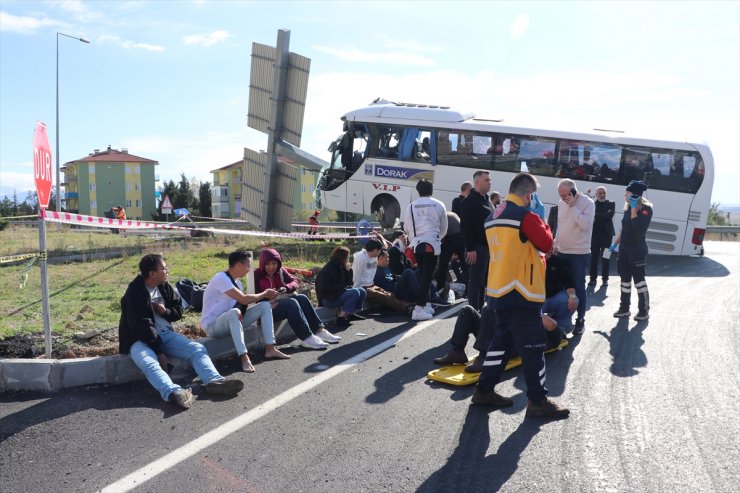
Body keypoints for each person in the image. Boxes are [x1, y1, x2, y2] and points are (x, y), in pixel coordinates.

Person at [471, 173, 569, 419]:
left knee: (501, 343)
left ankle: (484, 390)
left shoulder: (492, 215)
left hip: (498, 289)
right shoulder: (526, 216)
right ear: (529, 195)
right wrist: (541, 219)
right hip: (522, 290)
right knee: (535, 346)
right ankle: (538, 401)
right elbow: (547, 245)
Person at [119, 254, 244, 409]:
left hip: (163, 334)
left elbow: (178, 311)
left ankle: (214, 382)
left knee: (197, 349)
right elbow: (142, 326)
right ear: (152, 274)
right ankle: (174, 393)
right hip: (138, 338)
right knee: (149, 362)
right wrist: (159, 352)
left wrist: (165, 312)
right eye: (164, 268)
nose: (167, 270)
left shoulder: (163, 286)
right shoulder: (134, 292)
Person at [200, 250, 290, 374]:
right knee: (234, 312)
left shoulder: (238, 284)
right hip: (213, 326)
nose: (249, 270)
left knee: (264, 305)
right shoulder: (220, 278)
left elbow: (243, 305)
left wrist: (268, 299)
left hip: (230, 321)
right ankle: (244, 357)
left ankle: (270, 348)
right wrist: (265, 293)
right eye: (248, 266)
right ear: (239, 265)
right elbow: (243, 299)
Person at [254, 248, 340, 349]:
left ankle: (319, 331)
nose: (271, 267)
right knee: (291, 303)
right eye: (267, 264)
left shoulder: (280, 271)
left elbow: (294, 281)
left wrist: (286, 288)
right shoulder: (256, 275)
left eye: (274, 263)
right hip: (265, 310)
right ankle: (307, 337)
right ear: (262, 264)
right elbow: (253, 297)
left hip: (279, 303)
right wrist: (266, 303)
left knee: (302, 298)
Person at [553, 179, 595, 334]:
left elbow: (585, 224)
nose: (563, 197)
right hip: (562, 251)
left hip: (579, 253)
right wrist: (556, 244)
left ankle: (580, 319)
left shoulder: (588, 203)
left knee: (578, 287)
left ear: (573, 191)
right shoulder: (561, 203)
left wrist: (573, 207)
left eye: (565, 194)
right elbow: (560, 225)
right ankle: (564, 320)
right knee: (563, 287)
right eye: (560, 194)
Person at [403, 179, 448, 321]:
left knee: (423, 275)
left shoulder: (411, 206)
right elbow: (444, 228)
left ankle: (426, 304)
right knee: (428, 277)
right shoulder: (439, 204)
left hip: (417, 244)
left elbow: (407, 227)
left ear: (418, 191)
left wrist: (414, 238)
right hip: (432, 244)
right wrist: (436, 238)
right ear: (431, 189)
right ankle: (418, 308)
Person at [612, 180, 653, 321]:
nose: (625, 194)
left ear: (635, 195)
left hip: (637, 249)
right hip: (624, 248)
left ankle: (644, 310)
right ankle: (624, 308)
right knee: (624, 280)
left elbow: (637, 227)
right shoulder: (628, 208)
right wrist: (615, 244)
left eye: (627, 192)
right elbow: (624, 229)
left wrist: (635, 209)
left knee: (639, 281)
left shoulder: (646, 209)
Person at [353, 237, 412, 315]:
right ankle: (404, 308)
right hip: (362, 287)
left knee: (390, 294)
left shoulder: (373, 258)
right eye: (379, 250)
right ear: (375, 250)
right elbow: (357, 276)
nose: (380, 252)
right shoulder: (361, 257)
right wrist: (358, 293)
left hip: (371, 285)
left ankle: (406, 304)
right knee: (385, 296)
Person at [460, 170, 493, 310]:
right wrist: (471, 249)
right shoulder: (470, 201)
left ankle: (479, 311)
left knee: (482, 282)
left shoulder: (487, 199)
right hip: (477, 248)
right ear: (477, 183)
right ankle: (473, 313)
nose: (490, 182)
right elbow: (466, 226)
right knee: (475, 282)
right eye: (486, 180)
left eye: (489, 180)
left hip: (487, 247)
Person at [315, 246, 367, 326]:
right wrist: (342, 288)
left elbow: (349, 283)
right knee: (355, 292)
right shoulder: (329, 268)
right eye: (347, 257)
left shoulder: (341, 266)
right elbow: (324, 287)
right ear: (342, 257)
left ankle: (349, 314)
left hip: (337, 295)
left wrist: (348, 271)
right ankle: (341, 317)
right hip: (328, 299)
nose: (348, 259)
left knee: (362, 291)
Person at [434, 210, 467, 300]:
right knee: (464, 265)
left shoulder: (441, 216)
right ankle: (468, 288)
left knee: (443, 264)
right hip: (462, 236)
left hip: (450, 237)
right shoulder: (453, 214)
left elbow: (442, 233)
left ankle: (440, 288)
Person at [588, 187, 616, 286]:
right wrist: (603, 214)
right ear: (596, 194)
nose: (602, 195)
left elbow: (609, 215)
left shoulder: (611, 203)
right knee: (594, 258)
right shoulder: (592, 204)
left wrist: (597, 215)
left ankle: (605, 279)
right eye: (600, 193)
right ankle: (592, 279)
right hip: (594, 236)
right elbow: (594, 216)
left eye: (604, 193)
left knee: (606, 257)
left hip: (607, 236)